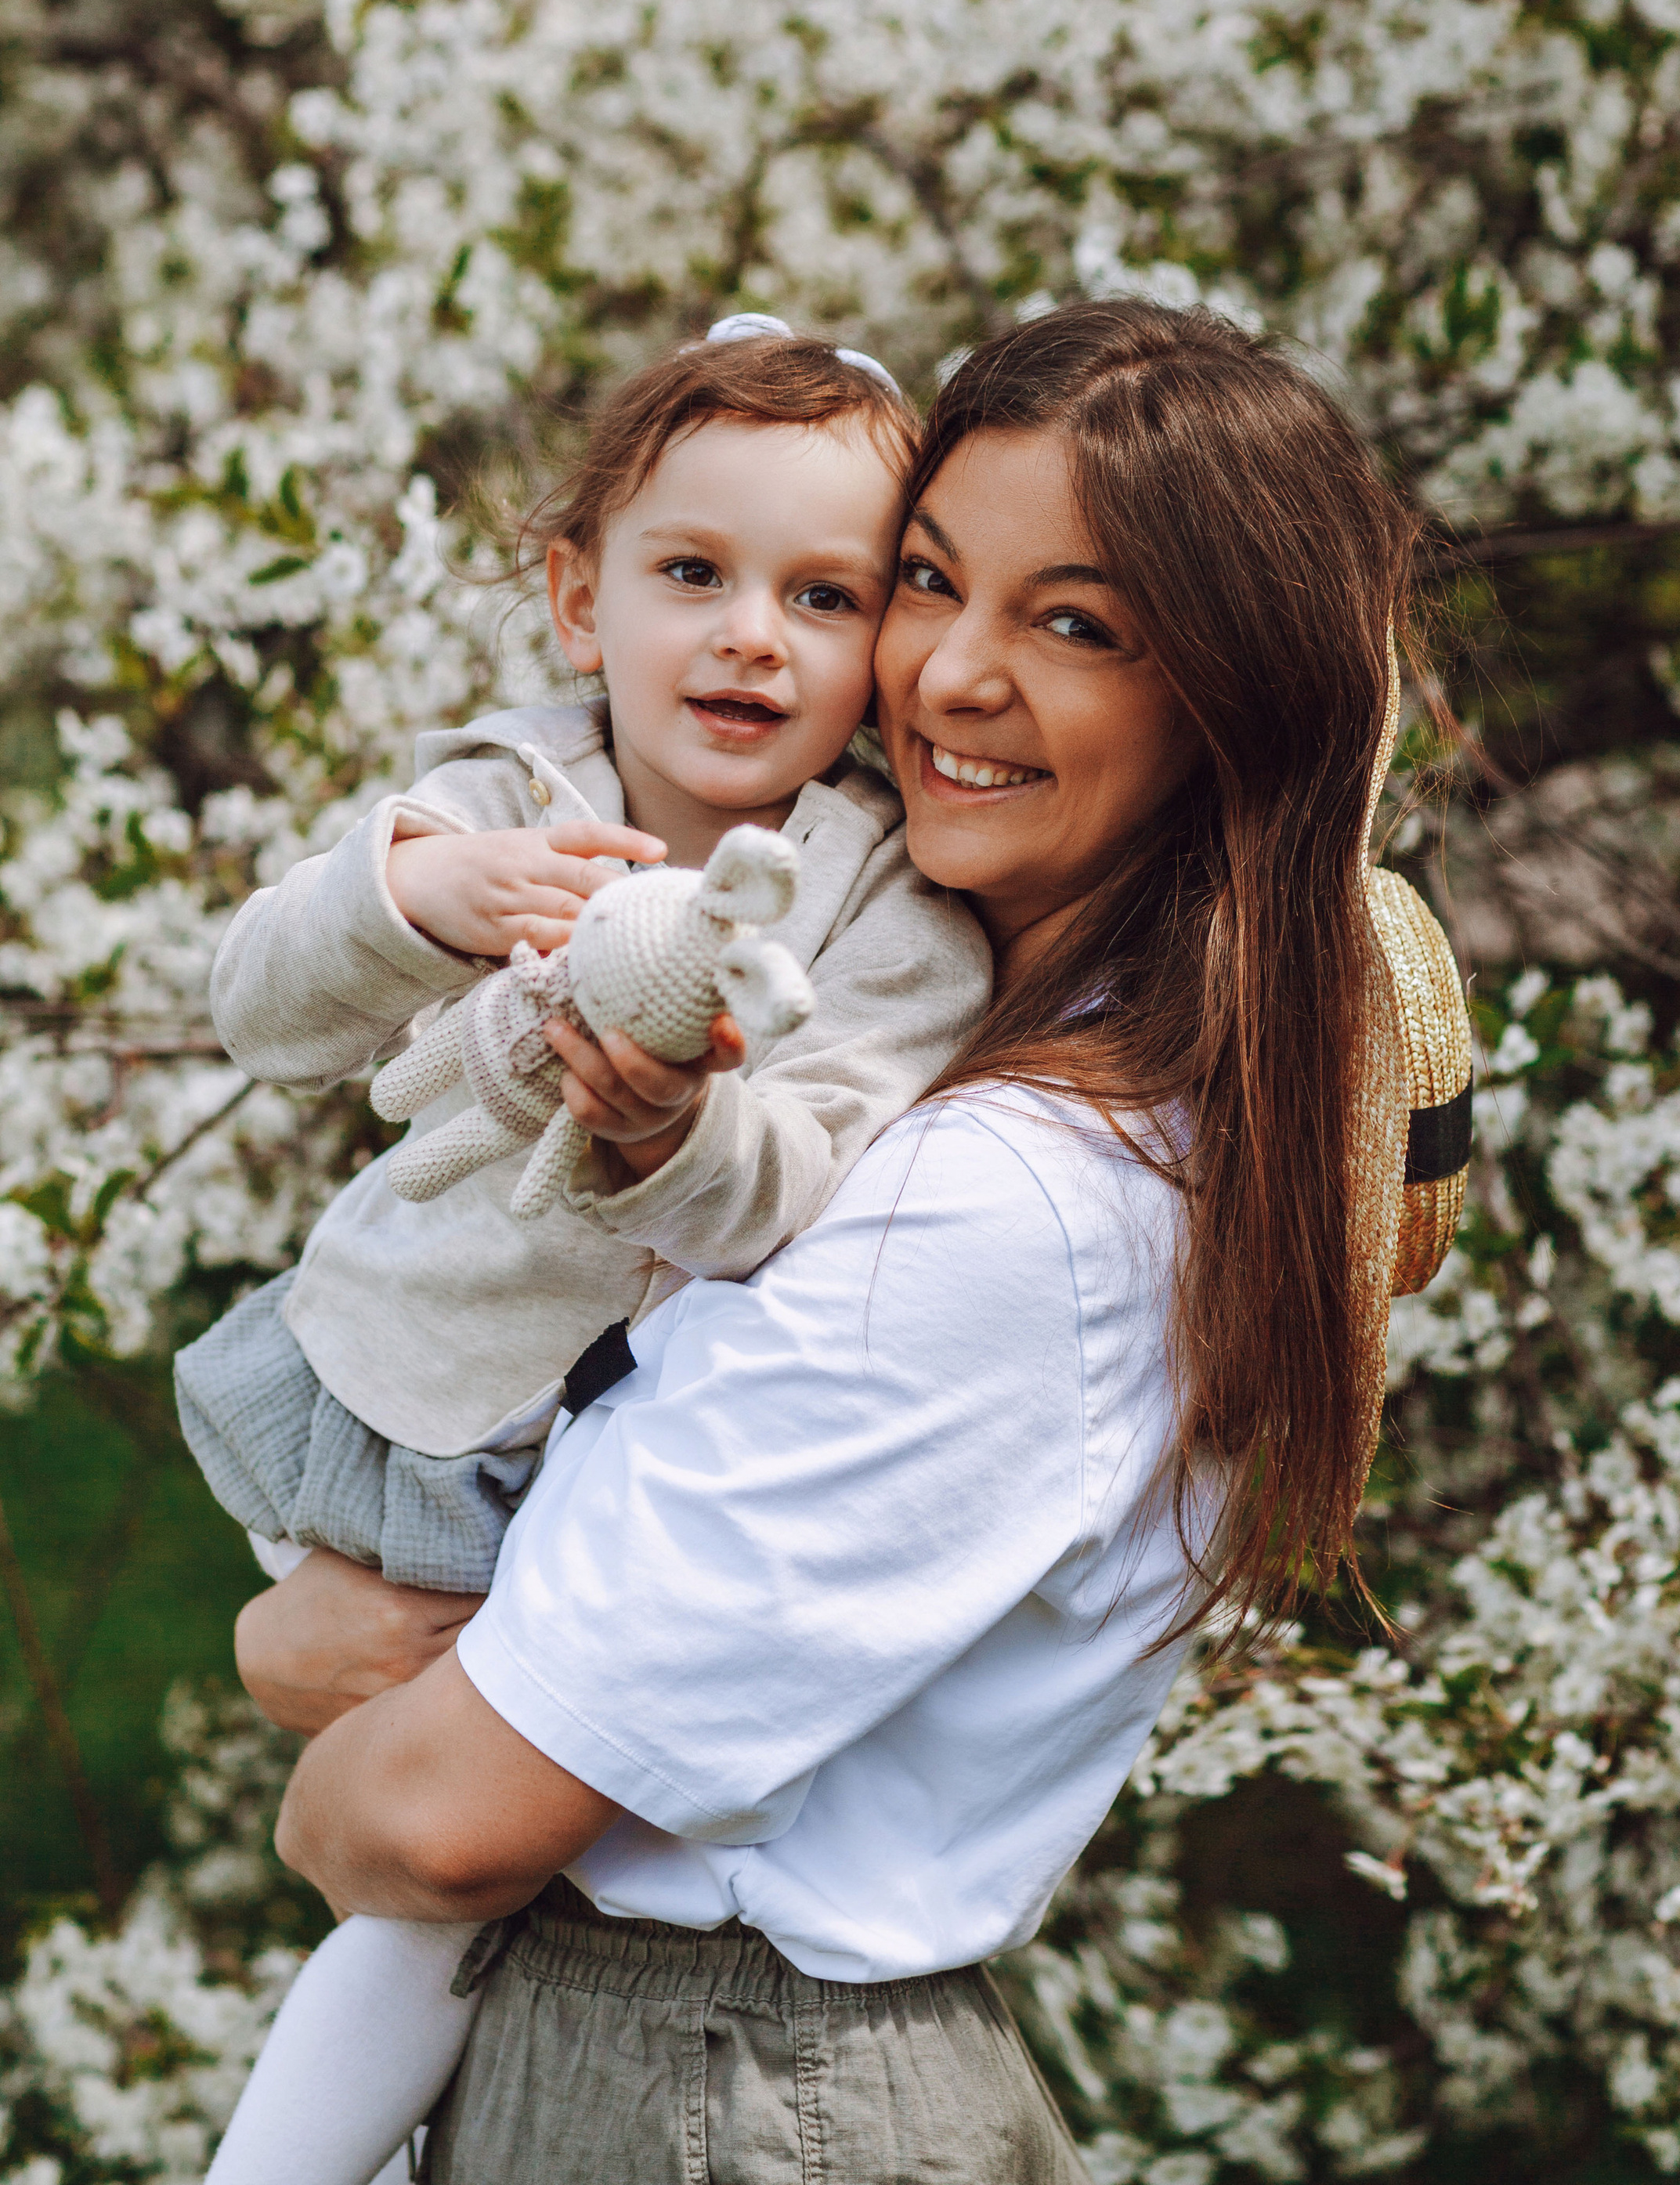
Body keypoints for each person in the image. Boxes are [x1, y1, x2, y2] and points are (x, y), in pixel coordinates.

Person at [236, 298, 1426, 2185]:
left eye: (1077, 624)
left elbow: (440, 1818)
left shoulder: (1014, 1204)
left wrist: (309, 1689)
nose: (948, 674)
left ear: (1223, 706)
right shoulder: (955, 1067)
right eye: (932, 583)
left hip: (707, 2081)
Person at [181, 319, 991, 2185]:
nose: (749, 636)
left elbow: (795, 1175)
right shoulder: (504, 796)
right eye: (690, 574)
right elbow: (259, 1001)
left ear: (885, 642)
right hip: (389, 1397)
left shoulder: (882, 915)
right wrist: (403, 895)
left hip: (583, 1453)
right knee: (446, 1889)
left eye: (824, 595)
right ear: (577, 597)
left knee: (454, 1894)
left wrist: (669, 1129)